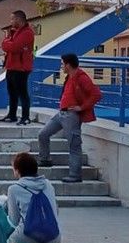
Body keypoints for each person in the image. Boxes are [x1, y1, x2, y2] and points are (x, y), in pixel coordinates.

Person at [38, 53, 102, 183]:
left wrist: (82, 107)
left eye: (62, 64)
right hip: (62, 113)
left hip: (71, 116)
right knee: (43, 134)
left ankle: (75, 175)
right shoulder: (70, 77)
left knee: (74, 144)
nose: (61, 66)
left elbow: (96, 94)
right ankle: (45, 159)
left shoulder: (82, 78)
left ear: (68, 64)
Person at [6, 152, 60, 243]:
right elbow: (56, 210)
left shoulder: (14, 189)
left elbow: (14, 220)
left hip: (26, 240)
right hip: (54, 239)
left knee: (20, 226)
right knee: (40, 221)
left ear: (18, 170)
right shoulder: (48, 185)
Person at [0, 10, 35, 124]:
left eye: (12, 19)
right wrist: (7, 43)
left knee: (22, 92)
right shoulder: (15, 32)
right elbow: (6, 43)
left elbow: (14, 47)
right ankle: (12, 115)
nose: (11, 21)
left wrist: (6, 44)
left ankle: (25, 117)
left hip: (21, 67)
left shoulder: (27, 33)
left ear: (19, 19)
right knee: (12, 92)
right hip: (11, 66)